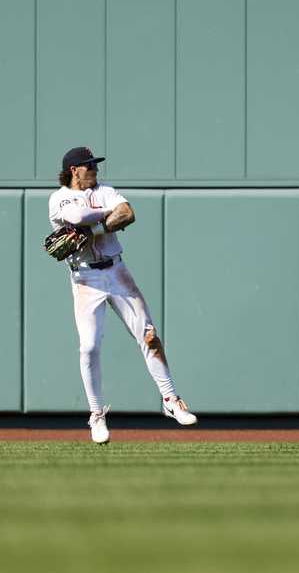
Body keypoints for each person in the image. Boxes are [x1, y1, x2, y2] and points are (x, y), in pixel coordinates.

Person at [48, 147, 198, 444]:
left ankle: (171, 399)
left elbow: (128, 213)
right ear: (74, 169)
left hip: (117, 271)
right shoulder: (59, 197)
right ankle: (96, 415)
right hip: (85, 277)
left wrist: (95, 228)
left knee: (149, 335)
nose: (95, 170)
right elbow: (76, 214)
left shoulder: (105, 189)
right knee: (89, 347)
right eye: (89, 166)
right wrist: (106, 214)